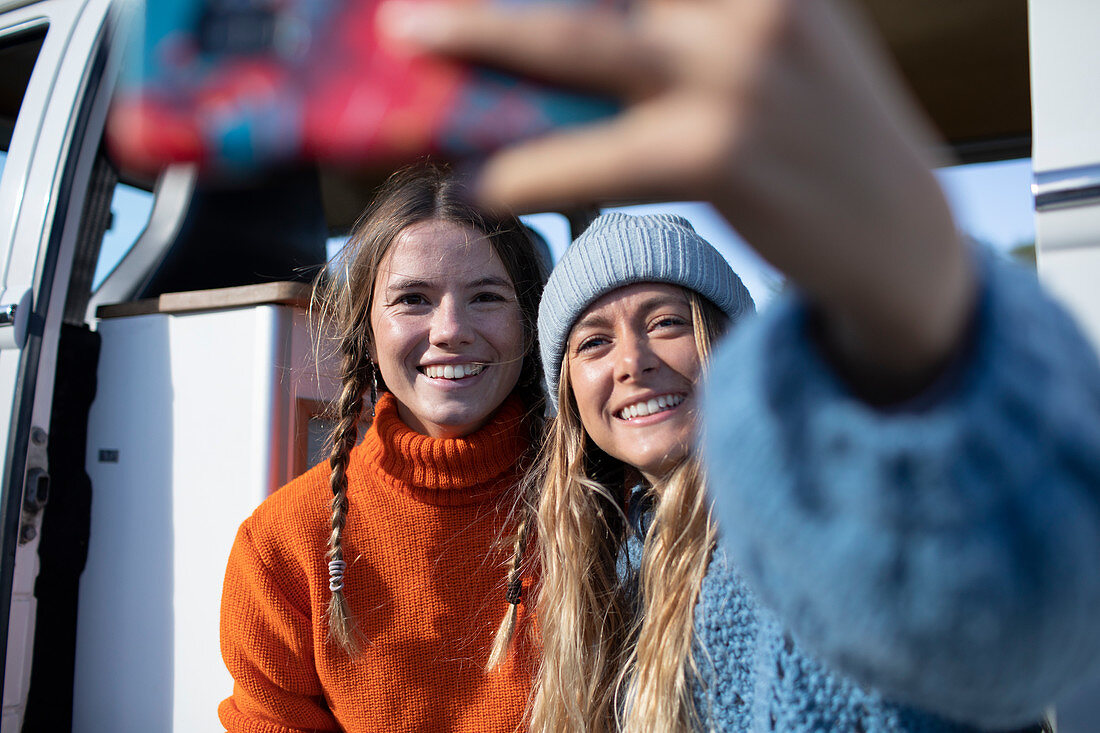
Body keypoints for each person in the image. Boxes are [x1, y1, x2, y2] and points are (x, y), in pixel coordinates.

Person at [378, 0, 1100, 729]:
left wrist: (924, 330)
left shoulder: (795, 541)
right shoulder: (602, 564)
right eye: (593, 342)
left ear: (733, 345)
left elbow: (979, 612)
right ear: (567, 390)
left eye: (667, 323)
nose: (631, 361)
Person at [218, 162, 547, 732]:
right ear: (367, 333)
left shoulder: (607, 511)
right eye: (414, 299)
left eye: (487, 297)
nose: (450, 329)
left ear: (529, 323)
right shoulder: (280, 545)